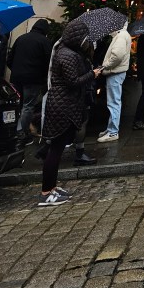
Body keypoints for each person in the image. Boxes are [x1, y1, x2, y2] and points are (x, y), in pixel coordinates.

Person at [38, 21, 101, 207]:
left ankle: (51, 187)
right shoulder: (67, 54)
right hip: (62, 105)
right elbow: (73, 81)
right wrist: (92, 74)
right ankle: (46, 192)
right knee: (55, 150)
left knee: (57, 149)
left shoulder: (68, 52)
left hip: (64, 103)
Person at [7, 19, 53, 142]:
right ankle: (22, 133)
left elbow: (9, 59)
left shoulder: (21, 38)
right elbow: (49, 63)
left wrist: (16, 70)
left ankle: (13, 131)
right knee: (28, 106)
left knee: (17, 105)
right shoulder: (44, 41)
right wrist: (44, 76)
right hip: (33, 79)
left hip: (16, 78)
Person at [97, 22, 131, 144]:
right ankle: (111, 129)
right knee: (113, 102)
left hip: (115, 72)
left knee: (113, 103)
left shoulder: (121, 36)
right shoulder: (121, 35)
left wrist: (104, 66)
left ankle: (113, 132)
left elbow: (117, 56)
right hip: (116, 72)